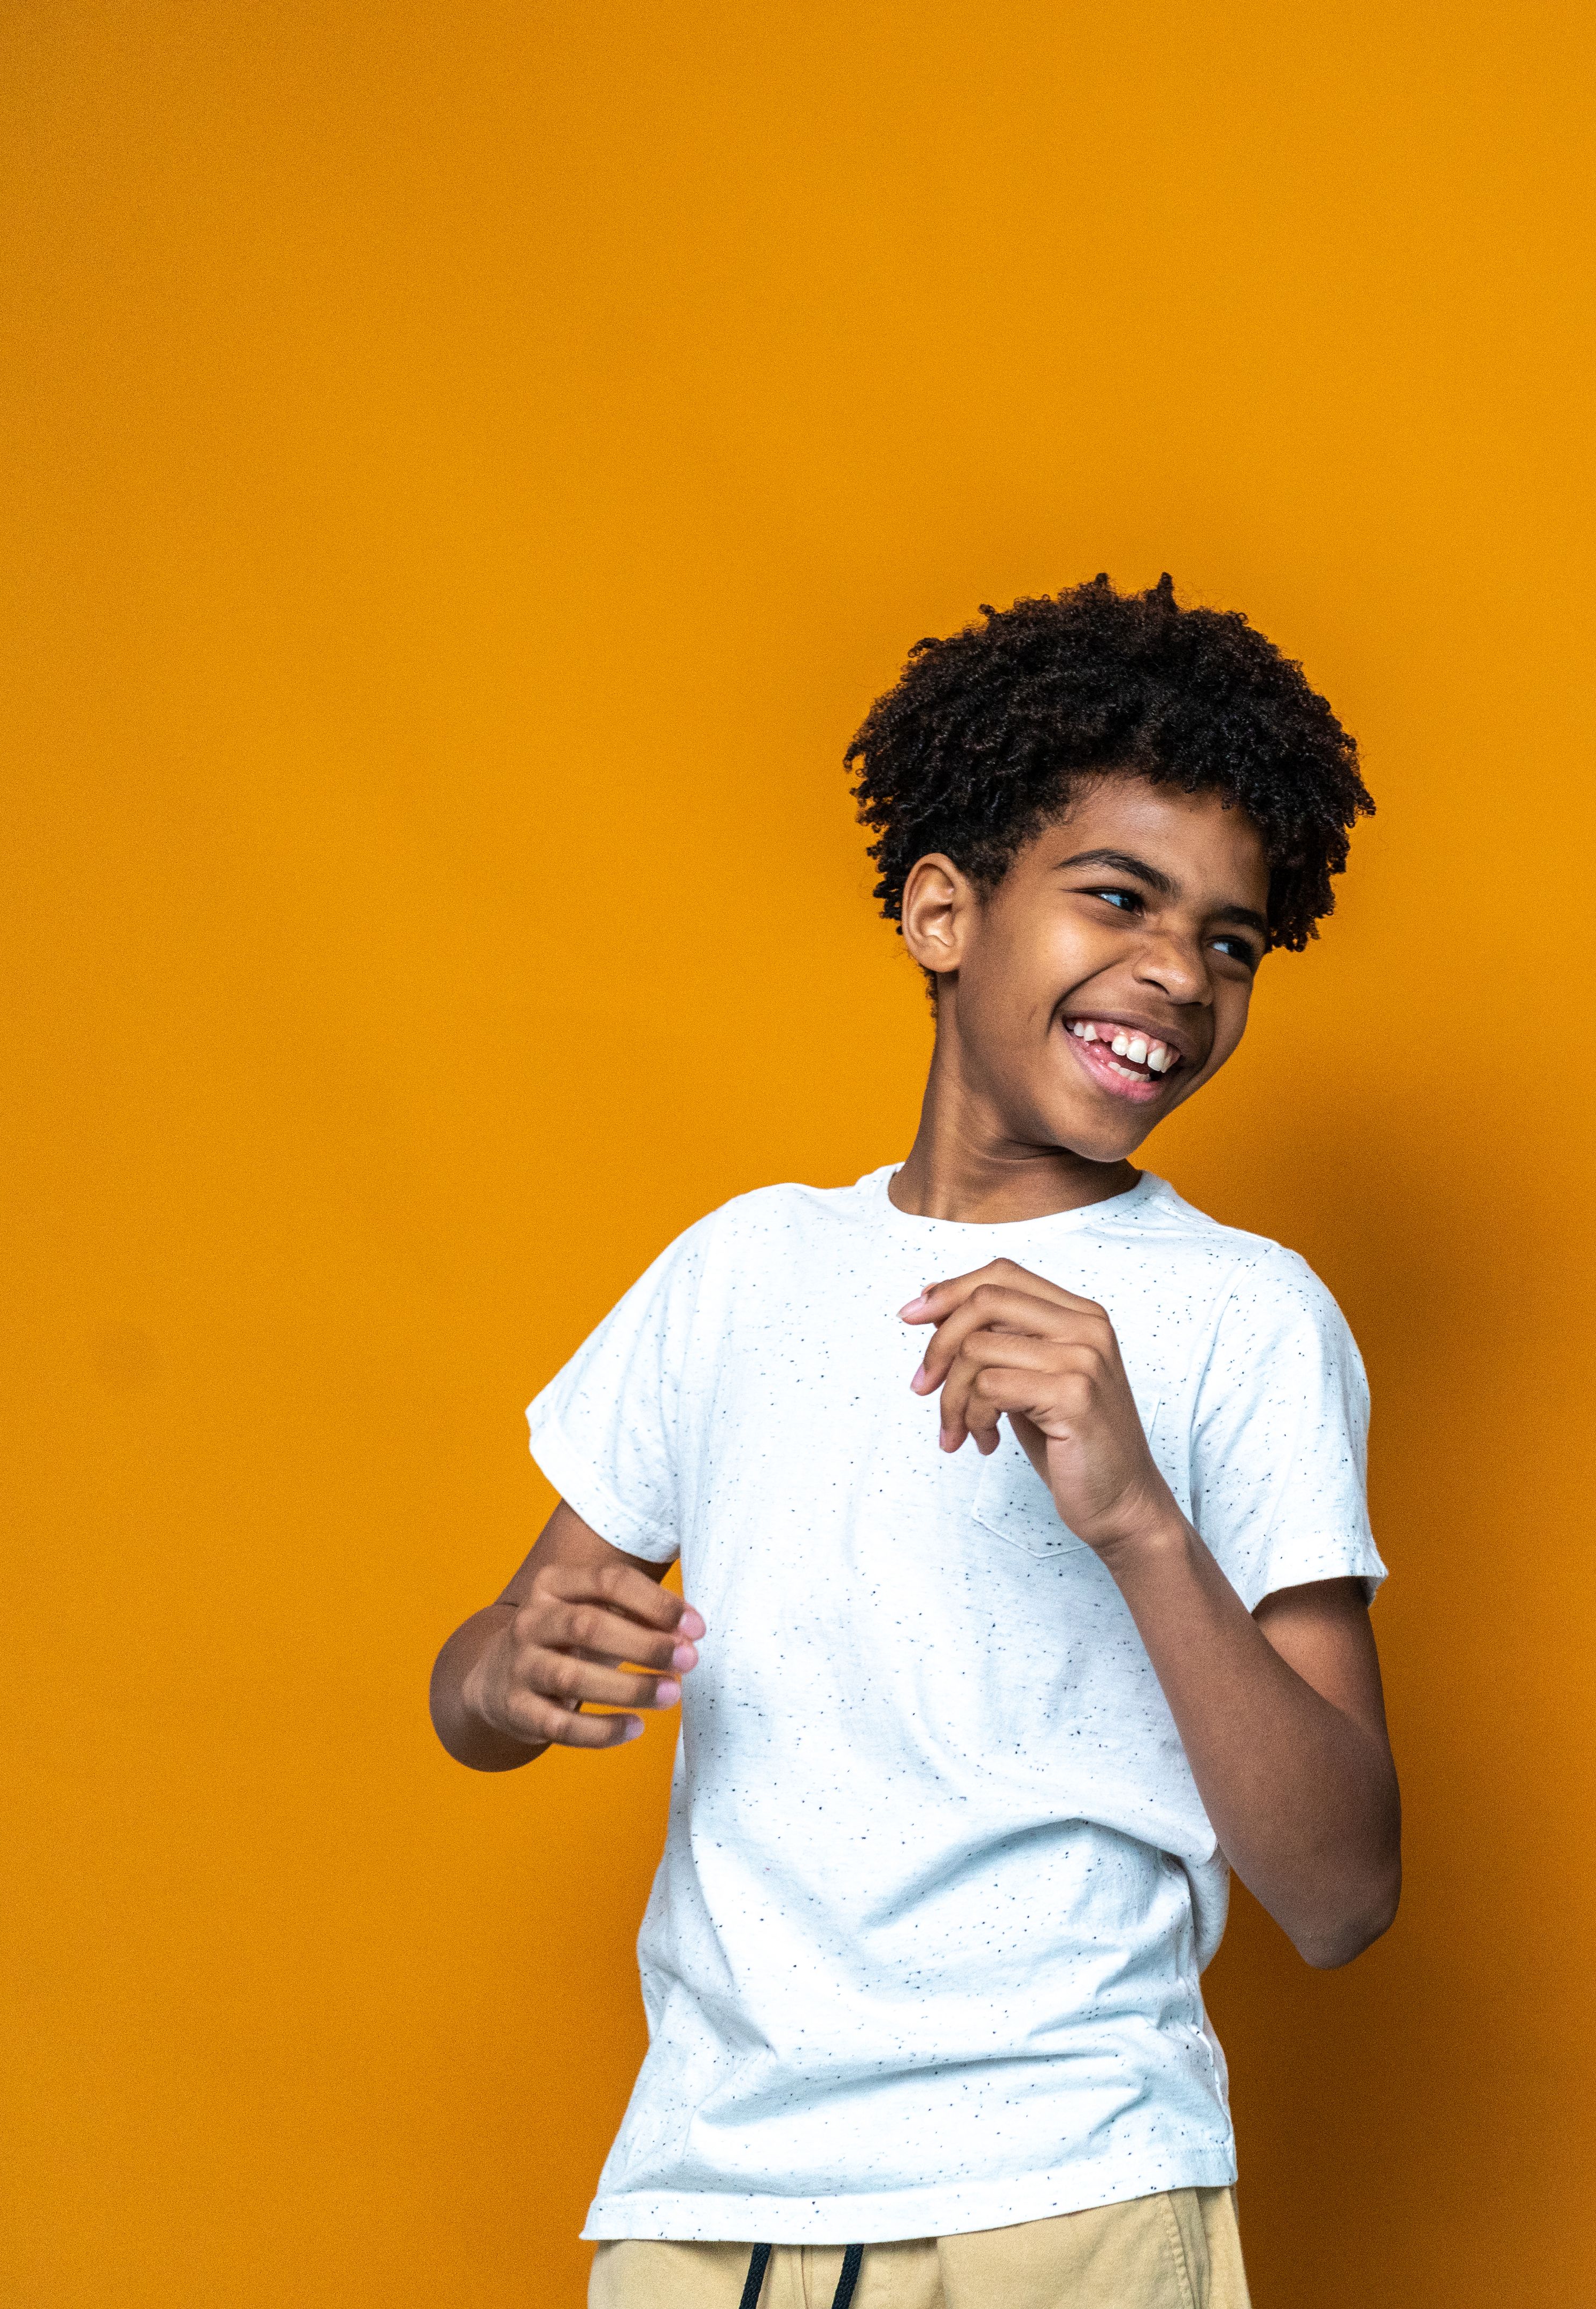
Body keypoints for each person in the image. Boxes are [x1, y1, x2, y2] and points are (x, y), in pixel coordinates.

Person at [427, 577, 1396, 2309]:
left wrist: (1140, 1523)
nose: (1178, 975)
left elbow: (1342, 1891)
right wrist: (512, 1670)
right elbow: (480, 1690)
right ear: (943, 911)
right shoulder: (738, 1273)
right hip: (704, 2204)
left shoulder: (1247, 1318)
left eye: (1232, 943)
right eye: (1120, 898)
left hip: (1076, 2191)